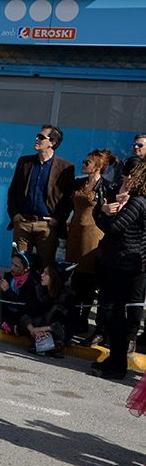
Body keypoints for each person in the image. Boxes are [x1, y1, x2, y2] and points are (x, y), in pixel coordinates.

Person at [91, 162, 146, 379]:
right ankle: (116, 361)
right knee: (115, 313)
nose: (128, 179)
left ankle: (116, 364)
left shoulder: (138, 202)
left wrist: (102, 213)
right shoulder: (139, 202)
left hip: (121, 263)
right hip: (128, 263)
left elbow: (113, 229)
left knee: (112, 312)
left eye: (133, 175)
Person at [6, 124, 75, 266]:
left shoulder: (66, 168)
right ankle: (16, 289)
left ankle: (41, 290)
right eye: (37, 136)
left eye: (42, 137)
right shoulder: (24, 162)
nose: (37, 139)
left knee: (45, 267)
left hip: (47, 227)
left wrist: (57, 219)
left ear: (52, 143)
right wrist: (14, 214)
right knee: (19, 266)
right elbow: (13, 191)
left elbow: (68, 199)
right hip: (23, 223)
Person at [66, 149, 116, 337]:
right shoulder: (79, 182)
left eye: (88, 163)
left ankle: (83, 317)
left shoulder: (107, 187)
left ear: (99, 167)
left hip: (92, 233)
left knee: (87, 278)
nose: (84, 164)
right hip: (75, 232)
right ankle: (72, 314)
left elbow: (109, 213)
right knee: (74, 275)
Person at [20, 262, 76, 358]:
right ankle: (38, 339)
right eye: (43, 272)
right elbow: (26, 312)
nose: (41, 275)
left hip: (54, 330)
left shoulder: (67, 296)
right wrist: (33, 329)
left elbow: (67, 323)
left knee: (55, 312)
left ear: (54, 278)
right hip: (37, 328)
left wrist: (45, 329)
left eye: (46, 274)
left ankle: (56, 343)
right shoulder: (39, 290)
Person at [0, 247, 40, 335]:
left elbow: (23, 304)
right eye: (12, 264)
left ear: (26, 269)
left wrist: (7, 290)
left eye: (17, 266)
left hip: (21, 312)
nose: (12, 268)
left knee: (23, 318)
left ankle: (10, 326)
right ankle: (6, 324)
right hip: (7, 310)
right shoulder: (8, 276)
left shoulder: (31, 281)